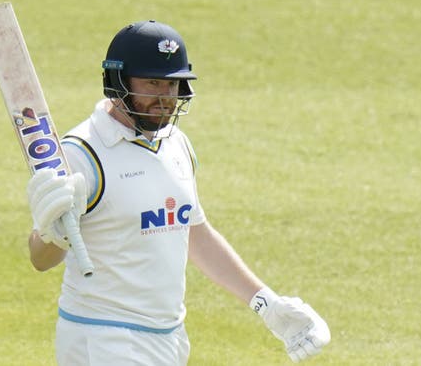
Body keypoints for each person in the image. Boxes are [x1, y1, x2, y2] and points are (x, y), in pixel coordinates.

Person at [27, 20, 330, 365]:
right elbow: (40, 259)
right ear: (118, 82)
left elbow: (193, 233)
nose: (165, 98)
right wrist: (53, 234)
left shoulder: (176, 144)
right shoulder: (82, 153)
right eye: (152, 83)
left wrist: (266, 303)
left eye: (172, 85)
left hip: (169, 337)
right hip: (103, 338)